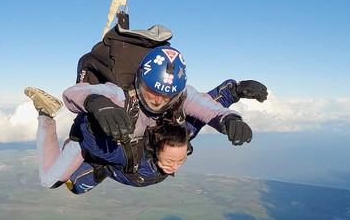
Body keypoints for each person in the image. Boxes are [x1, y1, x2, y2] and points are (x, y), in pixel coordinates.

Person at [25, 53, 266, 193]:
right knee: (53, 180)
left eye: (167, 95)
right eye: (152, 91)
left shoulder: (180, 117)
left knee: (76, 184)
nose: (159, 100)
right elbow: (74, 93)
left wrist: (232, 110)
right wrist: (97, 103)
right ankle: (46, 112)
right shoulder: (121, 97)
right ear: (140, 81)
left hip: (127, 157)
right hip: (102, 140)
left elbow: (207, 107)